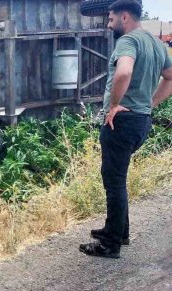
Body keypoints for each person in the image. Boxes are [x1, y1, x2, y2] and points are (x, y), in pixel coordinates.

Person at [80, 0, 172, 258]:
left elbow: (123, 73)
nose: (108, 24)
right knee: (118, 177)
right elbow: (171, 77)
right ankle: (119, 231)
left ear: (124, 17)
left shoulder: (128, 41)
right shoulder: (156, 43)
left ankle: (110, 244)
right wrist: (150, 104)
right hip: (141, 120)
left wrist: (113, 106)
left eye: (110, 19)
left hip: (122, 121)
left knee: (114, 180)